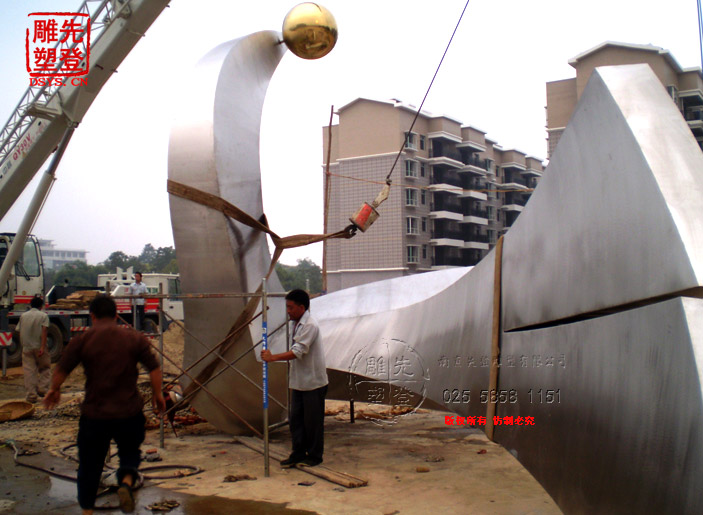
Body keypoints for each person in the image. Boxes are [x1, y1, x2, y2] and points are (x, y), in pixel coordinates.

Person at [43, 295, 166, 514]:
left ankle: (87, 511)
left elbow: (62, 369)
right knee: (130, 453)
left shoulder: (83, 340)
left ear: (92, 316)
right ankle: (126, 482)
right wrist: (158, 395)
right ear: (116, 314)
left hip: (95, 414)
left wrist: (54, 389)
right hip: (129, 412)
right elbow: (154, 368)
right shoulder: (134, 338)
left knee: (89, 466)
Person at [261, 289, 328, 467]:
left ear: (301, 307)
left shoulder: (310, 325)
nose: (288, 311)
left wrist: (273, 357)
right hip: (298, 381)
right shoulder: (295, 323)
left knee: (312, 422)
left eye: (291, 307)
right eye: (287, 307)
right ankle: (298, 453)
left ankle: (314, 456)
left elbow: (298, 351)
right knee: (296, 420)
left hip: (313, 382)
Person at [16, 296, 50, 403]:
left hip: (27, 348)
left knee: (29, 372)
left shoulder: (23, 316)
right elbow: (44, 331)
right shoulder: (43, 316)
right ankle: (42, 389)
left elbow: (19, 330)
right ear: (41, 306)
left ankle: (31, 395)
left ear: (31, 305)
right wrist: (42, 347)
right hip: (39, 346)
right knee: (45, 368)